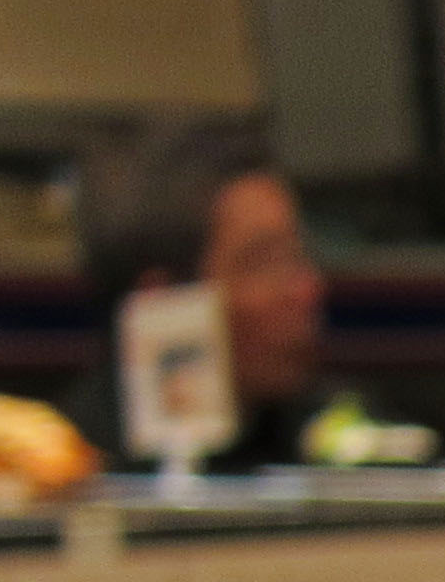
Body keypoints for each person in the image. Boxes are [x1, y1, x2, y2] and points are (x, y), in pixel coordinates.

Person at [80, 121, 325, 473]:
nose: (305, 289)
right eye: (264, 262)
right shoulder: (76, 476)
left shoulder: (344, 439)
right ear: (165, 301)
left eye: (298, 256)